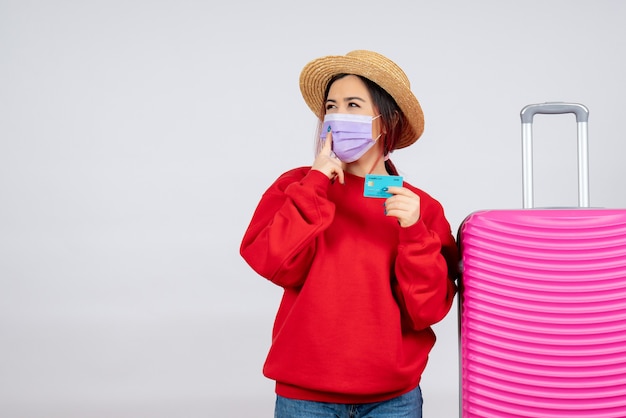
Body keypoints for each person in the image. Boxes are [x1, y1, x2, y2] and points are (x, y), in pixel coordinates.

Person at [240, 50, 458, 418]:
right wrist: (316, 182)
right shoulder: (296, 187)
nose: (338, 116)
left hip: (393, 400)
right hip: (304, 398)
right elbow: (275, 263)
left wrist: (415, 234)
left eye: (353, 104)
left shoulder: (420, 207)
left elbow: (428, 310)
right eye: (331, 106)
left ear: (386, 120)